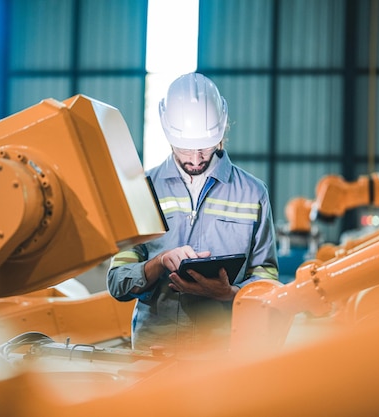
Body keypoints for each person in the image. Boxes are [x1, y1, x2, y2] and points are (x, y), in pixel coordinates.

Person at [107, 72, 278, 354]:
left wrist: (229, 294)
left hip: (220, 356)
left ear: (221, 132)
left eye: (205, 146)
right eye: (186, 148)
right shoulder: (142, 190)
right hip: (155, 352)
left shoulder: (253, 193)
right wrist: (159, 262)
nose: (196, 158)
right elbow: (118, 282)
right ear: (168, 133)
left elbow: (268, 281)